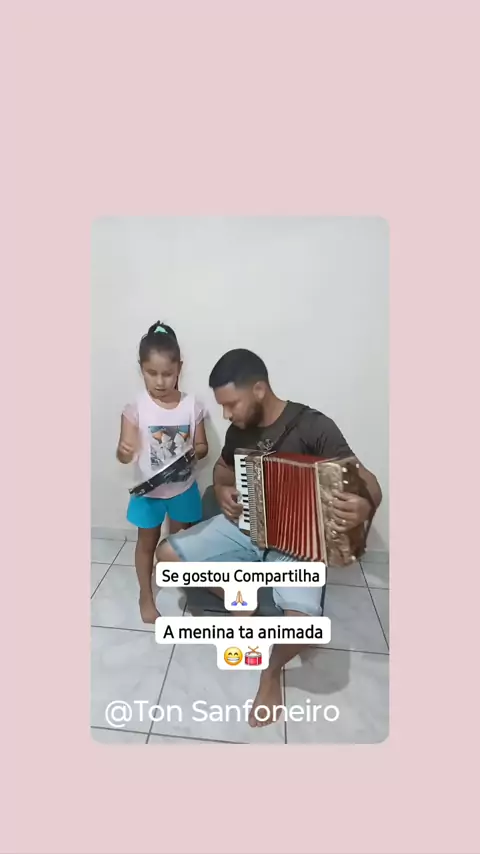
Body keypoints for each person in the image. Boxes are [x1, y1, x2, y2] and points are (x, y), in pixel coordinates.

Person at [155, 349, 382, 727]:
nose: (226, 414)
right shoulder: (238, 432)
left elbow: (368, 481)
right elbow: (223, 471)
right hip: (247, 527)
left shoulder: (313, 427)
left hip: (299, 545)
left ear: (259, 390)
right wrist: (223, 489)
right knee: (166, 555)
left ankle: (271, 673)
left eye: (231, 404)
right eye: (222, 406)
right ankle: (235, 593)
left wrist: (364, 504)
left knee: (303, 626)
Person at [117, 322, 208, 623]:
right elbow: (123, 454)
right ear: (141, 369)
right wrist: (124, 450)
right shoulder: (135, 408)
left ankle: (175, 576)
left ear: (179, 368)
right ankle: (145, 594)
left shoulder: (192, 406)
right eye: (151, 373)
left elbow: (202, 446)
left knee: (178, 540)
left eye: (167, 373)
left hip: (183, 488)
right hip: (149, 493)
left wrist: (195, 451)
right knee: (147, 542)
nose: (159, 381)